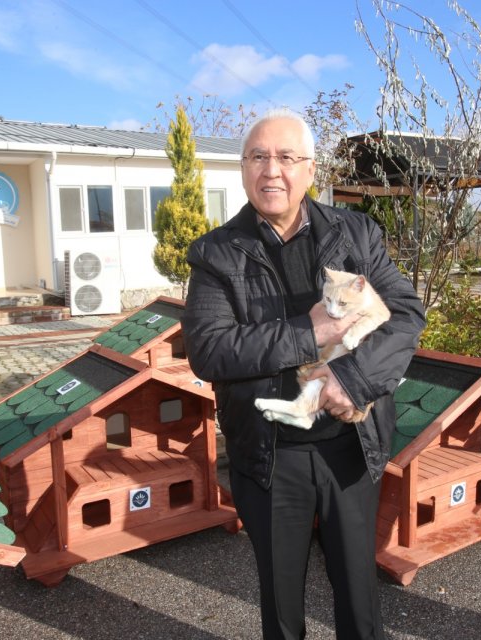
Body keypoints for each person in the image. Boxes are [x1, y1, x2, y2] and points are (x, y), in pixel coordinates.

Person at [182, 109, 426, 639]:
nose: (272, 170)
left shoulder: (356, 232)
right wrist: (308, 332)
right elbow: (209, 349)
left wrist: (353, 381)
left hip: (350, 445)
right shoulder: (215, 253)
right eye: (258, 157)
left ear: (311, 169)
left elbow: (406, 314)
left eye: (287, 157)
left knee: (359, 594)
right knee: (281, 601)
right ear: (243, 169)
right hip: (270, 454)